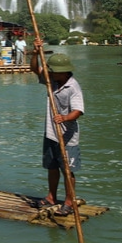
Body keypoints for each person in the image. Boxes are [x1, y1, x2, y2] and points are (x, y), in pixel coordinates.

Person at [30, 38, 84, 216]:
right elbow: (34, 69)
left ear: (63, 72)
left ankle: (69, 201)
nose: (50, 73)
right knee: (52, 167)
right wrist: (36, 52)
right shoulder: (51, 82)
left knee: (67, 170)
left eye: (53, 71)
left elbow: (78, 111)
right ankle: (51, 196)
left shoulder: (73, 87)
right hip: (51, 133)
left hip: (67, 136)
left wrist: (65, 118)